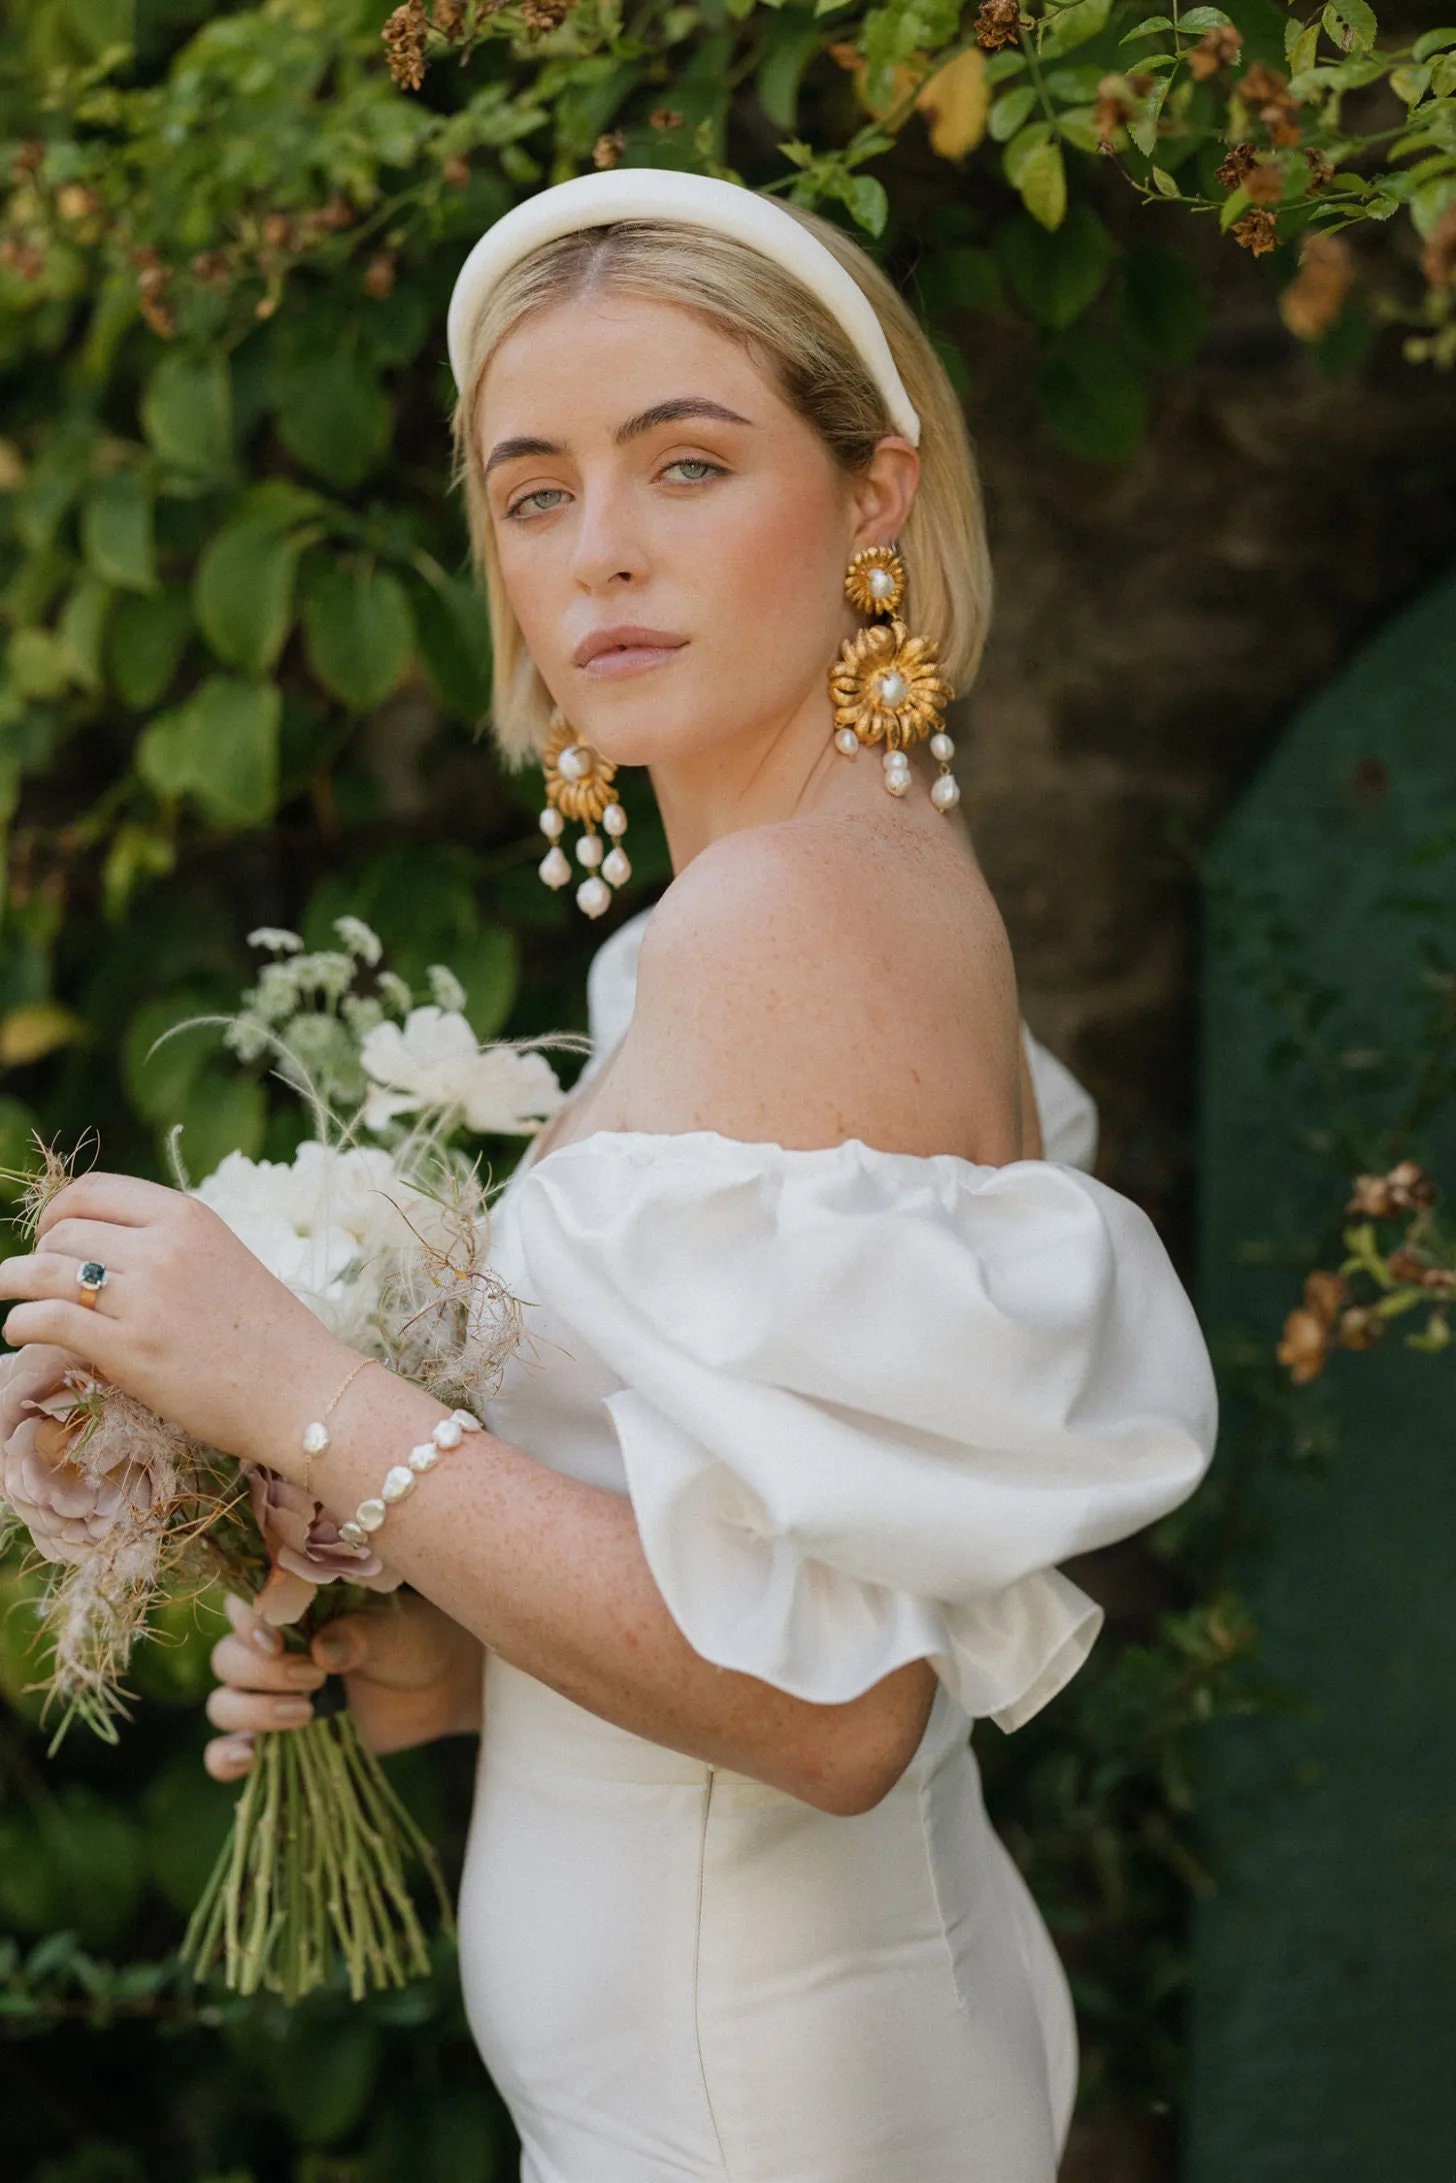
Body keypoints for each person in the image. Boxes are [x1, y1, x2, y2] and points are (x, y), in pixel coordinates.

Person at [196, 172, 1221, 2180]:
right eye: (534, 492)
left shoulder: (781, 922)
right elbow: (744, 1581)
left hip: (760, 2091)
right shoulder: (763, 921)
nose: (601, 558)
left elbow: (831, 1715)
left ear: (868, 498)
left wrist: (291, 1386)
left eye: (685, 463)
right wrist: (422, 1643)